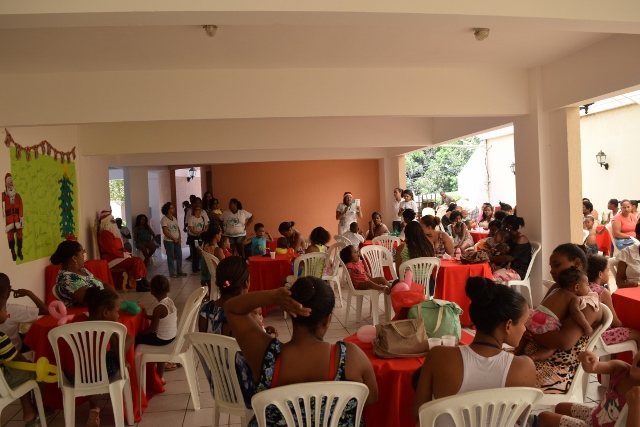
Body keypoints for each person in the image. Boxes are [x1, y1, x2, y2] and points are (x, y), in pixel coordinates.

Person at [225, 277, 378, 426]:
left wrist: (273, 296)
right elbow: (371, 398)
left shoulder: (265, 356)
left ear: (291, 313)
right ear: (327, 320)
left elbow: (232, 308)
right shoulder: (351, 357)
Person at [412, 276, 535, 425]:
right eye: (524, 323)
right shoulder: (524, 367)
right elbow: (519, 416)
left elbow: (418, 412)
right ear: (508, 325)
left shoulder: (438, 356)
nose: (524, 329)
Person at [525, 243, 603, 394]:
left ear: (576, 264)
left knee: (501, 381)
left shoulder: (587, 302)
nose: (552, 270)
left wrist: (530, 331)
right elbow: (539, 318)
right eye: (551, 267)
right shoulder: (557, 288)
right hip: (532, 357)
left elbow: (563, 342)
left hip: (555, 369)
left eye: (557, 265)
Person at [60, 287, 133, 427]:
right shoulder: (110, 328)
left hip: (73, 376)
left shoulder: (78, 320)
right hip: (99, 376)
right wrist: (123, 363)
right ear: (105, 313)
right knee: (128, 339)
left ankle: (93, 405)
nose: (118, 315)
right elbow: (117, 353)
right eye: (117, 312)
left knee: (85, 363)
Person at [196, 257, 257, 408]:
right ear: (246, 283)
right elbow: (261, 357)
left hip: (220, 388)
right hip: (247, 392)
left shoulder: (204, 312)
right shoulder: (246, 316)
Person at [537, 350, 640, 427]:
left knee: (544, 417)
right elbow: (593, 367)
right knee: (560, 407)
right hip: (595, 414)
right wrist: (589, 362)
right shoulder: (621, 368)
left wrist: (635, 406)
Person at [517, 267, 597, 362]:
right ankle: (534, 357)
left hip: (534, 316)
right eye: (587, 285)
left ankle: (516, 351)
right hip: (546, 321)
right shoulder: (573, 298)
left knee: (527, 335)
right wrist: (586, 326)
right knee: (552, 347)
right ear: (576, 287)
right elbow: (575, 313)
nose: (588, 288)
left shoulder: (555, 290)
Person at [0, 294, 45, 427]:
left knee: (20, 371)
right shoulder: (1, 338)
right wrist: (33, 366)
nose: (6, 312)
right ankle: (37, 411)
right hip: (3, 382)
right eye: (4, 309)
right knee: (36, 373)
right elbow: (18, 359)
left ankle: (30, 411)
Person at [586, 254, 640, 348]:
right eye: (608, 270)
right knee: (638, 334)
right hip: (598, 336)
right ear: (600, 274)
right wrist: (626, 326)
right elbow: (615, 322)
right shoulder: (602, 292)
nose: (609, 273)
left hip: (584, 335)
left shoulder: (583, 288)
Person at [52, 239, 119, 306]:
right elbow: (91, 300)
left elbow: (104, 284)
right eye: (82, 253)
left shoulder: (82, 270)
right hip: (90, 310)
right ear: (74, 258)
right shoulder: (68, 279)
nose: (84, 256)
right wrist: (114, 300)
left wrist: (117, 298)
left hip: (105, 305)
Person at [136, 275, 178, 382]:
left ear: (152, 291)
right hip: (171, 337)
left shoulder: (158, 308)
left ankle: (138, 368)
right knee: (149, 341)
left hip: (161, 339)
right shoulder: (169, 302)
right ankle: (160, 377)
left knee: (136, 340)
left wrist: (139, 333)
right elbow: (162, 318)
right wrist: (147, 316)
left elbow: (152, 329)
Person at [97, 209, 149, 292]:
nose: (114, 222)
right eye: (112, 221)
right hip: (110, 259)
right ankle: (139, 284)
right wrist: (123, 255)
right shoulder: (105, 234)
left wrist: (126, 253)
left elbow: (119, 247)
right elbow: (111, 250)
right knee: (136, 261)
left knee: (139, 260)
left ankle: (143, 281)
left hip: (117, 257)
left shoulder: (112, 233)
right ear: (106, 222)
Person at [0, 273, 47, 352]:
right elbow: (46, 310)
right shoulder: (15, 310)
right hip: (14, 349)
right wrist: (28, 293)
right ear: (9, 289)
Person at [490, 215, 532, 284]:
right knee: (487, 271)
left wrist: (490, 258)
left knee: (491, 278)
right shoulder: (510, 238)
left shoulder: (521, 238)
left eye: (502, 225)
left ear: (508, 226)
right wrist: (493, 262)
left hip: (518, 270)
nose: (501, 227)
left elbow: (509, 258)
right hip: (507, 267)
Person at [160, 202, 187, 278]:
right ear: (168, 210)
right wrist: (174, 238)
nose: (174, 209)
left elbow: (178, 229)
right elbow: (165, 232)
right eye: (172, 208)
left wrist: (179, 238)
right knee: (171, 256)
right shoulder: (164, 219)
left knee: (179, 255)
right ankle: (172, 272)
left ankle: (179, 271)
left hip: (177, 241)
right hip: (169, 241)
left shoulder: (174, 218)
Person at [2, 173, 24, 261]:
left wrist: (21, 217)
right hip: (9, 219)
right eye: (8, 182)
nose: (10, 184)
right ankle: (13, 251)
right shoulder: (4, 196)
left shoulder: (18, 196)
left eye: (11, 182)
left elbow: (21, 206)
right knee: (10, 235)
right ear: (6, 184)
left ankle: (19, 250)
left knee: (20, 233)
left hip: (17, 218)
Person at [200, 225, 225, 296]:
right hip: (222, 279)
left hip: (214, 276)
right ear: (216, 235)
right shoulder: (217, 250)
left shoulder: (206, 246)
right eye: (220, 234)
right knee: (236, 281)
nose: (221, 236)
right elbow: (225, 265)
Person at [615, 222, 640, 288]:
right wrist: (629, 285)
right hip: (632, 290)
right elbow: (619, 281)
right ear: (638, 237)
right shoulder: (627, 252)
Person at [187, 203, 208, 274]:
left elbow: (206, 226)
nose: (199, 211)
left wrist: (203, 232)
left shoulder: (203, 218)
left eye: (200, 209)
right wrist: (198, 233)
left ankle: (200, 268)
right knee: (195, 252)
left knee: (201, 252)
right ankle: (195, 269)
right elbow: (191, 229)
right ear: (194, 210)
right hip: (194, 238)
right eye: (198, 210)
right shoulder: (191, 218)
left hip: (201, 237)